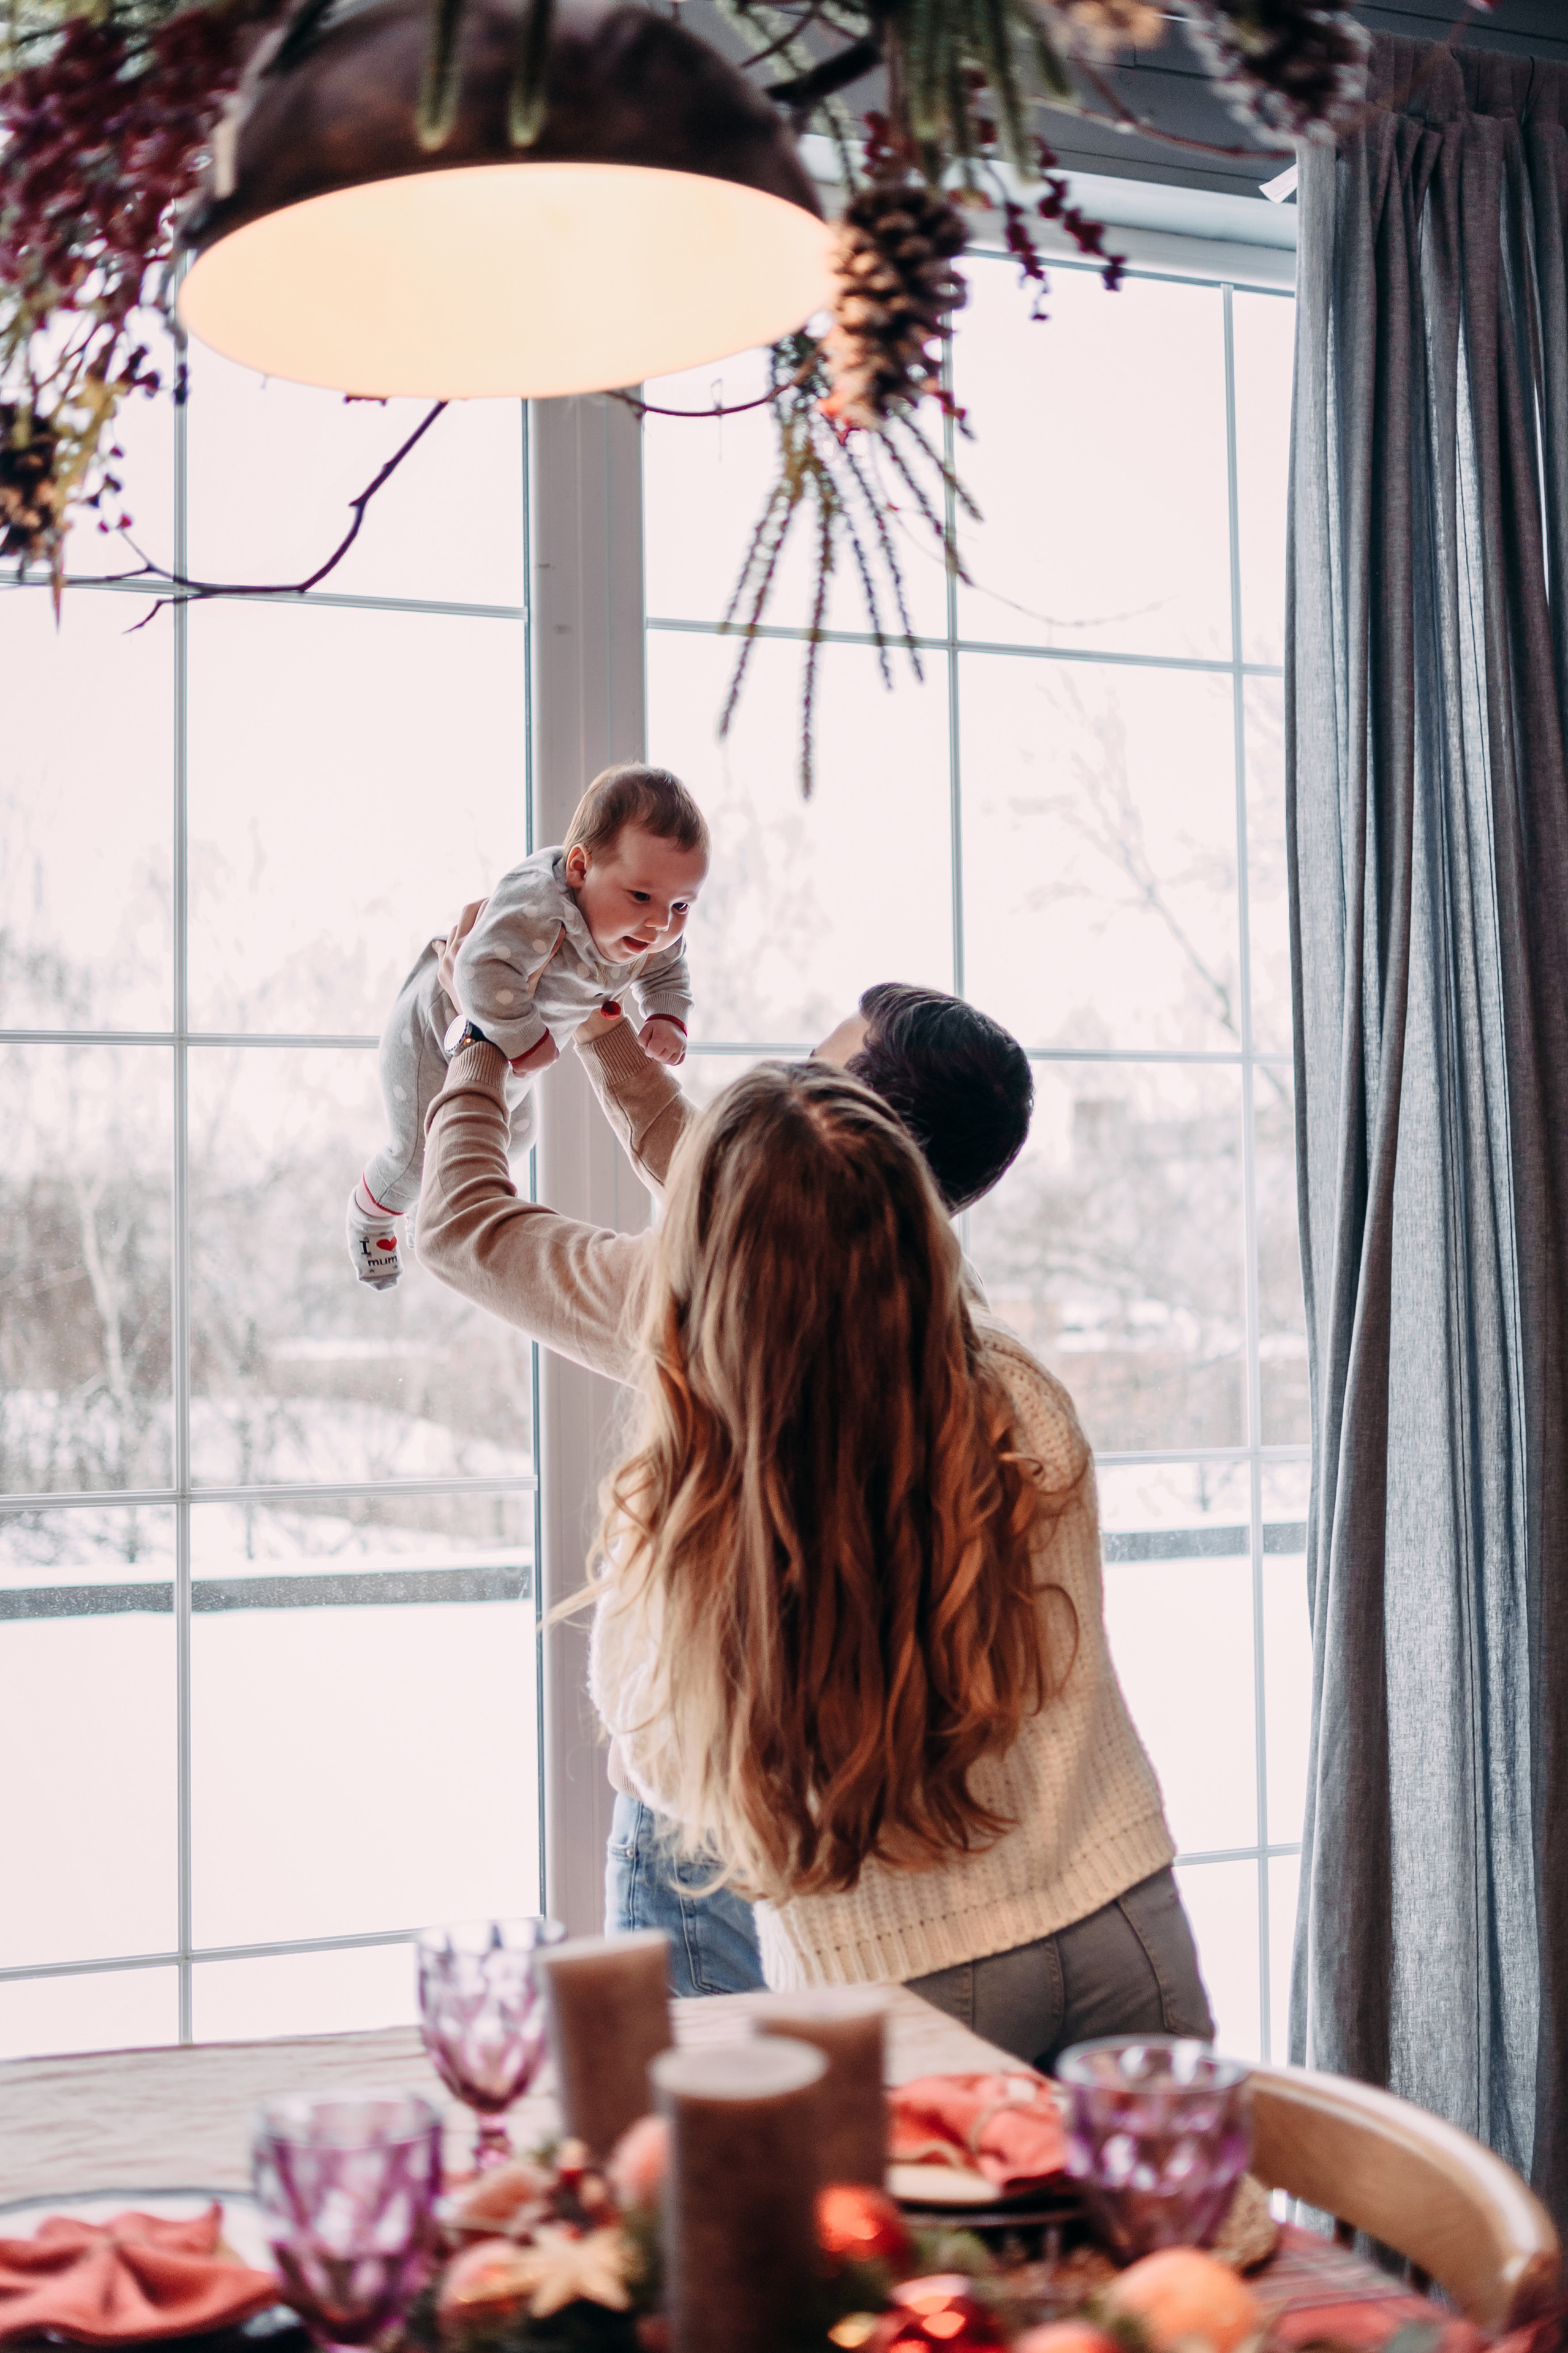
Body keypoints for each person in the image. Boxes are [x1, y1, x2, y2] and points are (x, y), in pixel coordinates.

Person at [417, 986, 1216, 2062]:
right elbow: (758, 1200)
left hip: (908, 1976)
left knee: (858, 2229)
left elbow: (663, 1756)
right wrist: (610, 1040)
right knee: (1179, 2226)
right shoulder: (1025, 1399)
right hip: (1119, 1903)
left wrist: (474, 1049)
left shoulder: (702, 1359)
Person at [347, 764, 707, 1289]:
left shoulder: (654, 933)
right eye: (641, 898)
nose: (660, 924)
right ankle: (369, 1216)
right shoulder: (539, 908)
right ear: (581, 869)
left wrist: (666, 1015)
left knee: (516, 1137)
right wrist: (524, 1040)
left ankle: (423, 1201)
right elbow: (474, 970)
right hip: (435, 1035)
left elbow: (670, 966)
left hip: (513, 1052)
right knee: (416, 1158)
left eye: (681, 906)